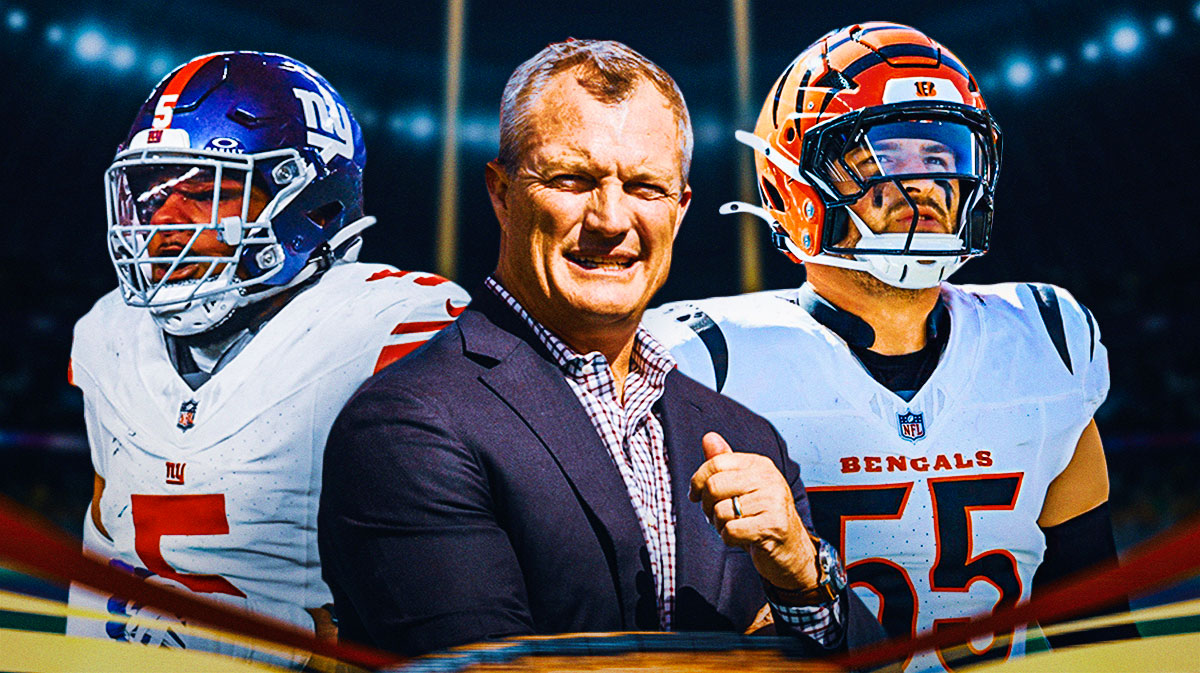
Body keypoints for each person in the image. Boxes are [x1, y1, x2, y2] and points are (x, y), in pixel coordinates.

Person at [319, 39, 884, 658]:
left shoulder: (743, 435)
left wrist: (803, 578)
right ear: (502, 194)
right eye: (571, 178)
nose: (611, 220)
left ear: (681, 209)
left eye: (645, 187)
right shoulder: (406, 424)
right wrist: (747, 655)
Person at [644, 21, 1131, 672]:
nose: (923, 183)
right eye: (884, 154)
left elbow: (1098, 632)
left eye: (940, 157)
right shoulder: (705, 358)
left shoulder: (1044, 338)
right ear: (794, 184)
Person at [65, 51, 469, 661]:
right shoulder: (108, 332)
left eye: (203, 191)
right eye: (151, 195)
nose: (161, 222)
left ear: (310, 200)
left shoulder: (387, 328)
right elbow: (103, 528)